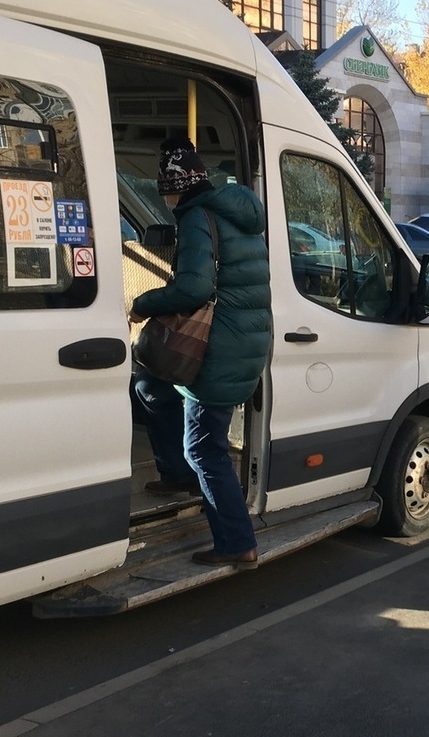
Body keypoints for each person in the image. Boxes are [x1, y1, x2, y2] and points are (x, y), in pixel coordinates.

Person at [130, 137, 273, 569]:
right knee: (151, 383)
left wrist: (141, 304)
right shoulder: (239, 213)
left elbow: (192, 288)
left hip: (216, 350)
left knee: (205, 450)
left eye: (166, 190)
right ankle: (175, 475)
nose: (166, 199)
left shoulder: (196, 217)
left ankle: (236, 542)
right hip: (243, 343)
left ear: (177, 187)